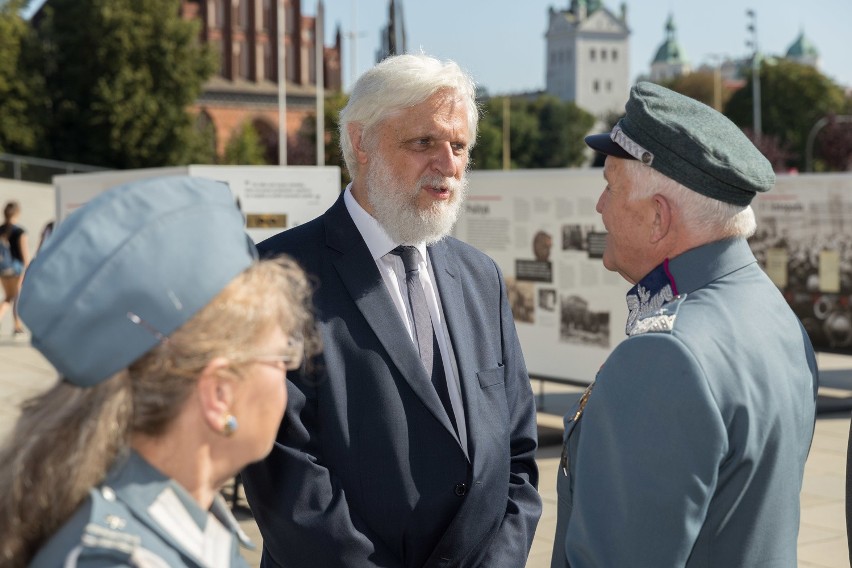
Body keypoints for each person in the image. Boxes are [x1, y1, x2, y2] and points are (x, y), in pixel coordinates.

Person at [242, 53, 542, 567]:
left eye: (459, 146)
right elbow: (282, 469)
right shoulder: (276, 273)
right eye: (424, 142)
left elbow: (517, 459)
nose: (448, 165)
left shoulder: (481, 277)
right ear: (362, 143)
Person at [551, 82, 819, 567]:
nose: (600, 206)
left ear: (658, 217)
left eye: (610, 186)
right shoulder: (773, 314)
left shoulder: (665, 354)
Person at [0, 176, 315, 567]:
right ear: (219, 395)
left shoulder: (175, 524)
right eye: (282, 354)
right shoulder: (121, 558)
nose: (292, 369)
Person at [0, 201, 29, 336]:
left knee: (8, 298)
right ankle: (17, 325)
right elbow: (24, 256)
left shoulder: (1, 229)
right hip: (16, 270)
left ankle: (17, 324)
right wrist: (28, 269)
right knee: (16, 297)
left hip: (2, 269)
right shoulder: (20, 232)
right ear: (17, 213)